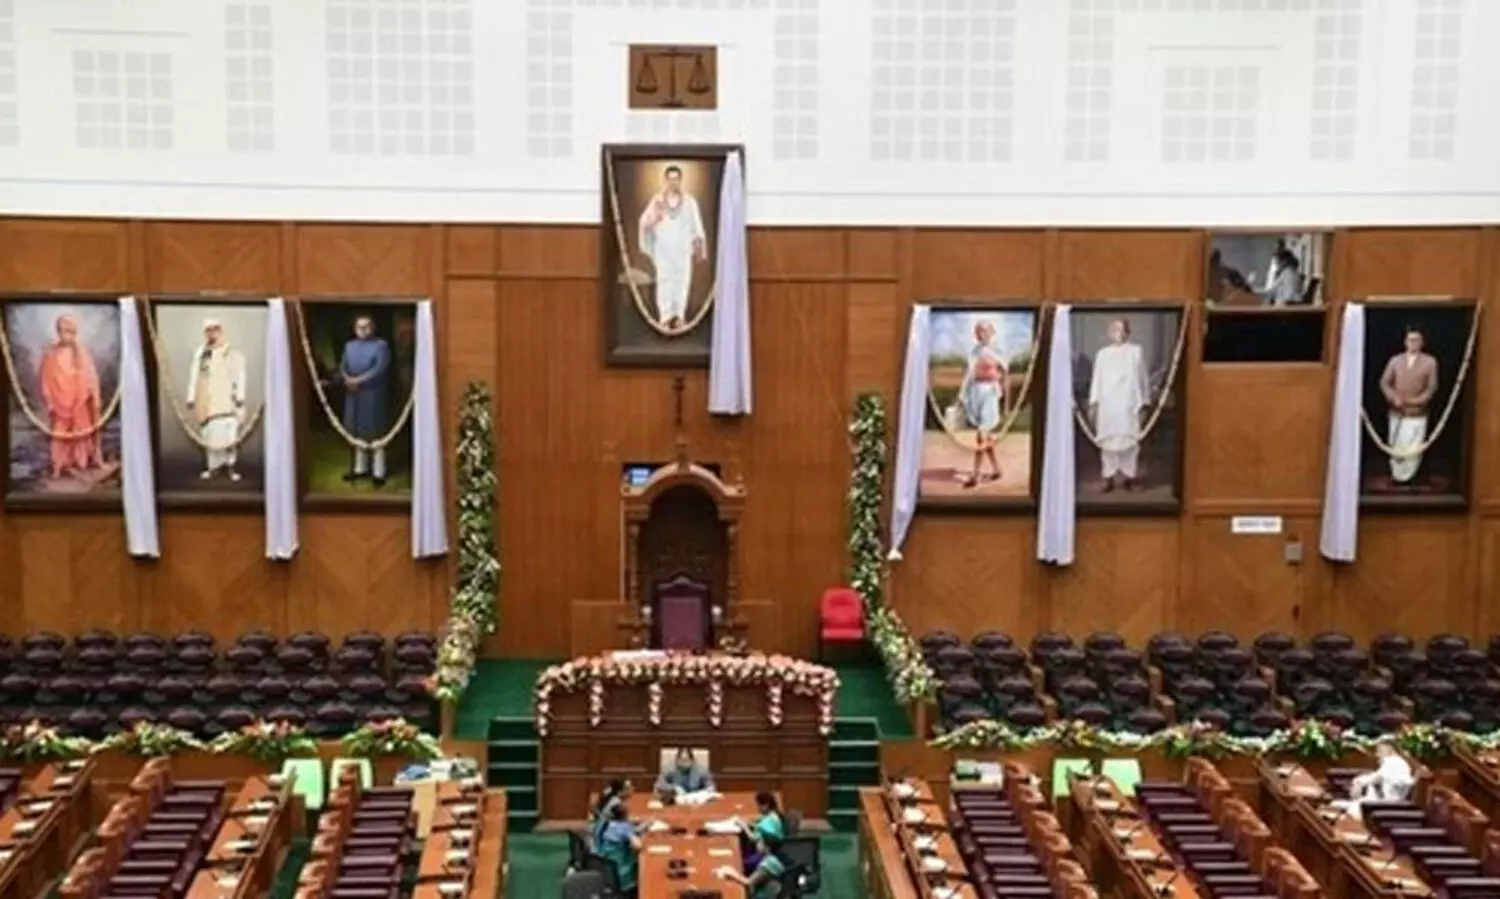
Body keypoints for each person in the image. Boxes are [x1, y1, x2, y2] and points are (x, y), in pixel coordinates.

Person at [636, 164, 707, 331]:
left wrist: (698, 243)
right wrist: (655, 219)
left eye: (676, 179)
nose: (673, 182)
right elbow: (644, 223)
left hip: (683, 250)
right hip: (663, 249)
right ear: (665, 181)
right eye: (670, 179)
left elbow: (697, 225)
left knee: (682, 281)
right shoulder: (657, 201)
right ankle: (665, 317)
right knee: (665, 281)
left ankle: (679, 316)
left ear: (680, 181)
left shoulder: (689, 202)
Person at [37, 313, 104, 480]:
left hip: (79, 401)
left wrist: (93, 394)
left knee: (82, 432)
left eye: (71, 332)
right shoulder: (51, 354)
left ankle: (81, 463)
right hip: (60, 403)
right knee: (59, 435)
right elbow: (45, 379)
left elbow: (91, 376)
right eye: (65, 331)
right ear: (58, 332)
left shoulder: (82, 352)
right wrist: (49, 400)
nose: (68, 335)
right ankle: (59, 466)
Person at [1087, 318, 1151, 492]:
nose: (1119, 333)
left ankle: (1130, 478)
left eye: (1123, 330)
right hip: (1108, 404)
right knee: (1108, 442)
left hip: (1129, 403)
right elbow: (1097, 379)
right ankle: (1107, 478)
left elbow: (1142, 379)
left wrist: (1144, 403)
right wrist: (1094, 403)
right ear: (1109, 332)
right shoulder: (1103, 354)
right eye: (1116, 329)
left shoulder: (1136, 352)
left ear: (1128, 333)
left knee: (1130, 442)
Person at [184, 318, 247, 482]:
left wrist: (240, 396)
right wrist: (191, 396)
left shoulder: (232, 352)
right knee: (210, 433)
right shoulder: (201, 353)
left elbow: (240, 374)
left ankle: (231, 467)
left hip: (227, 400)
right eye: (209, 330)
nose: (212, 333)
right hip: (207, 400)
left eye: (215, 329)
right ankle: (213, 468)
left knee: (229, 434)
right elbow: (194, 375)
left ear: (220, 331)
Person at [1378, 327, 1438, 486]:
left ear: (1422, 342)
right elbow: (1384, 383)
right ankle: (1397, 476)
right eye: (1410, 340)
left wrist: (1412, 402)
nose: (1413, 343)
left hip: (1416, 414)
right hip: (1396, 412)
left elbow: (1431, 389)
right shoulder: (1395, 361)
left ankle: (1409, 477)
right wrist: (1394, 398)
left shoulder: (1430, 362)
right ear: (1405, 342)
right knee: (1397, 445)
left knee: (1412, 447)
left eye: (1416, 340)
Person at [338, 315, 392, 487]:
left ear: (373, 327)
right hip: (354, 395)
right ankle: (360, 469)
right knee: (356, 430)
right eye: (359, 327)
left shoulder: (381, 345)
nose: (363, 330)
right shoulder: (349, 346)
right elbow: (343, 365)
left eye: (366, 326)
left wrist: (359, 381)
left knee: (376, 432)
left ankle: (378, 472)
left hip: (373, 394)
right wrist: (347, 379)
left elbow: (380, 368)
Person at [956, 319, 1006, 488]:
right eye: (979, 331)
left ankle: (975, 475)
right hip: (975, 392)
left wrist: (1005, 398)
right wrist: (962, 396)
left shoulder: (996, 351)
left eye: (985, 331)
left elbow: (1004, 372)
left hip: (990, 392)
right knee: (986, 436)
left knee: (981, 435)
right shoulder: (974, 352)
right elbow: (969, 375)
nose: (982, 334)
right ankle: (997, 469)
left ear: (991, 333)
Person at [717, 832, 788, 898]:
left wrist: (731, 873)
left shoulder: (769, 864)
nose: (757, 844)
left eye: (760, 842)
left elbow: (749, 883)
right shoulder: (770, 858)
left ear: (767, 848)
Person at [595, 801, 641, 896]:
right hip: (622, 870)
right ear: (625, 815)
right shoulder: (624, 827)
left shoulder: (609, 824)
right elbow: (638, 846)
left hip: (607, 867)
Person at [739, 791, 785, 869]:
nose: (758, 809)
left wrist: (744, 826)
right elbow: (760, 824)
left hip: (765, 855)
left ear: (766, 805)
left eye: (759, 806)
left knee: (743, 863)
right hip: (773, 852)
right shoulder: (774, 815)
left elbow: (753, 838)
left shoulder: (768, 821)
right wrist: (751, 824)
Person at [589, 778, 631, 848]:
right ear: (620, 792)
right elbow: (627, 831)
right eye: (628, 788)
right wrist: (645, 826)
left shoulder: (611, 798)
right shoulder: (618, 807)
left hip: (598, 834)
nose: (632, 789)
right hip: (603, 844)